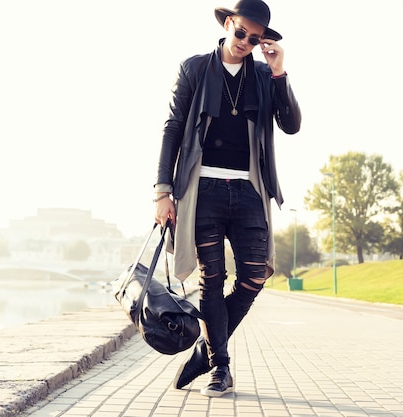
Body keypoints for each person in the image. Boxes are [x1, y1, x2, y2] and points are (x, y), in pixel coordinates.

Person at [153, 0, 301, 398]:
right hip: (202, 191)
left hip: (250, 190)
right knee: (212, 280)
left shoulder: (263, 75)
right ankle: (221, 366)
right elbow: (173, 128)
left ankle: (205, 349)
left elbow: (291, 125)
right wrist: (162, 191)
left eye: (255, 39)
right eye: (241, 33)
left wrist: (279, 71)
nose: (246, 43)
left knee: (256, 274)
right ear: (228, 24)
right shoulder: (196, 68)